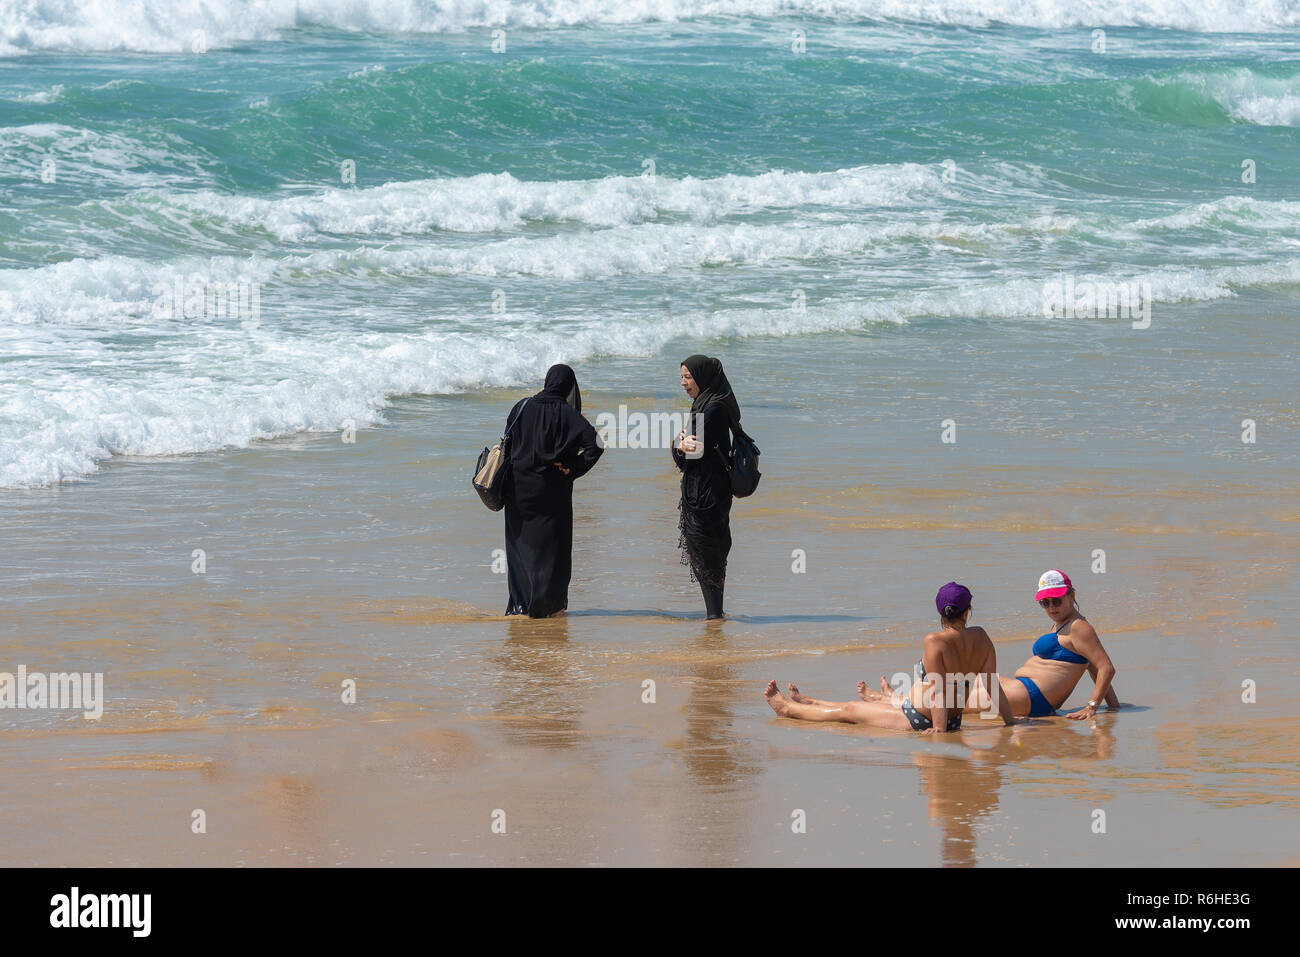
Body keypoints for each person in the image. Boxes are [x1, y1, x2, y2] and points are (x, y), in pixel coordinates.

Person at [862, 569, 1120, 718]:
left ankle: (890, 701)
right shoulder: (1067, 623)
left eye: (1056, 600)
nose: (1051, 607)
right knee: (955, 693)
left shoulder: (1079, 627)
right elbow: (1090, 665)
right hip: (1024, 689)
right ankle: (895, 698)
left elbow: (1105, 667)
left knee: (953, 703)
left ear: (1071, 595)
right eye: (1045, 602)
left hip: (1033, 698)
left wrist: (1092, 707)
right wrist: (1114, 706)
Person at [764, 583, 1017, 733]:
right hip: (950, 717)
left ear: (940, 612)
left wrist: (939, 729)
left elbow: (939, 691)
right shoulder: (981, 637)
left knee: (849, 710)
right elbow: (991, 685)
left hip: (923, 719)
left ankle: (788, 708)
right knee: (858, 704)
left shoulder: (935, 641)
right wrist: (1010, 721)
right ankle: (809, 701)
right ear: (968, 611)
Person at [503, 364, 603, 618]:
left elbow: (508, 440)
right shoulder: (568, 414)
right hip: (552, 493)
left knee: (520, 547)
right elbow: (597, 445)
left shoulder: (522, 406)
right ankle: (550, 606)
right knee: (552, 551)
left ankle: (521, 604)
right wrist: (573, 467)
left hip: (518, 491)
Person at [672, 355, 741, 620]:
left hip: (705, 492)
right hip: (711, 489)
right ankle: (715, 613)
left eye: (688, 377)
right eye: (682, 377)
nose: (683, 383)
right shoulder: (710, 406)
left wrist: (677, 445)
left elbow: (688, 454)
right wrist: (681, 444)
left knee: (705, 549)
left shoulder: (710, 410)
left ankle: (714, 616)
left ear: (703, 377)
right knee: (709, 549)